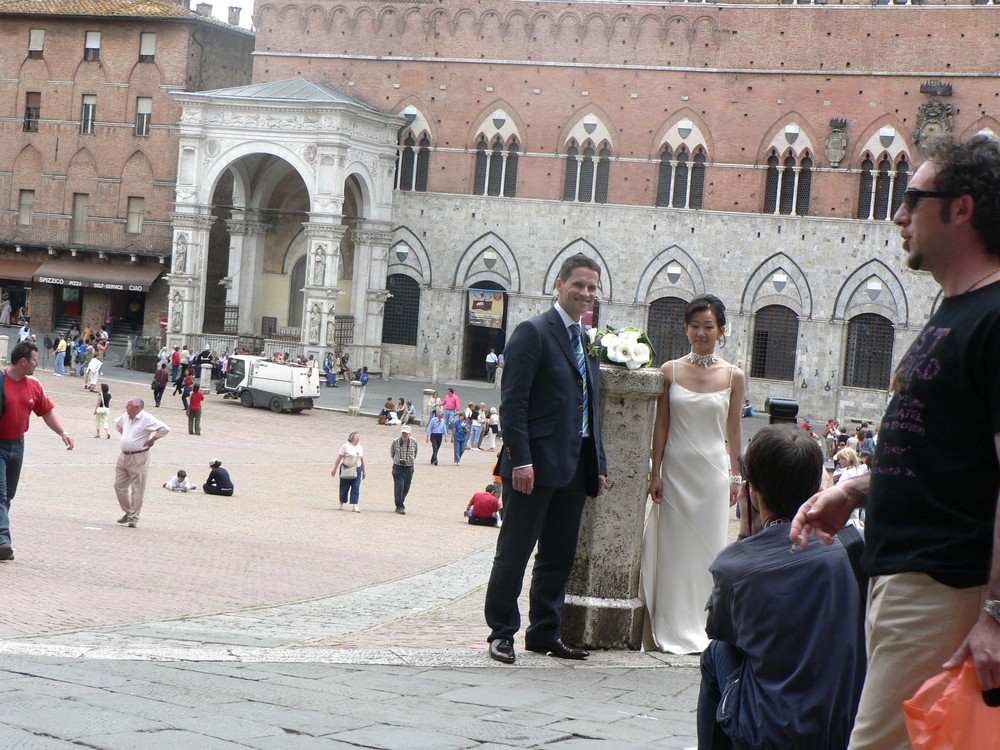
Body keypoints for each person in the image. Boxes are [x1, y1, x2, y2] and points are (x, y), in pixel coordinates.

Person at [790, 135, 1000, 750]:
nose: (898, 214)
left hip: (943, 586)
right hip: (906, 576)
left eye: (913, 198)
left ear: (961, 208)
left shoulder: (992, 319)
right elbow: (945, 454)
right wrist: (858, 488)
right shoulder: (954, 310)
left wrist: (996, 614)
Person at [698, 426, 865, 750]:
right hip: (842, 726)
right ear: (818, 485)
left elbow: (720, 627)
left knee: (715, 653)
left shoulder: (735, 565)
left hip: (770, 733)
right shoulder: (852, 545)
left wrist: (748, 536)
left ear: (753, 491)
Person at [484, 253, 608, 665]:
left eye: (592, 287)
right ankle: (502, 632)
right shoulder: (533, 332)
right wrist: (520, 460)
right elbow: (513, 403)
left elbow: (590, 408)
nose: (586, 293)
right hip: (532, 469)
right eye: (579, 285)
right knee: (515, 551)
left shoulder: (584, 339)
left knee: (558, 555)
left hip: (574, 466)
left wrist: (599, 464)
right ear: (559, 284)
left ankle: (544, 632)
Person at [642, 294, 746, 654]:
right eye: (695, 325)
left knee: (708, 552)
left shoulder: (734, 375)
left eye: (709, 326)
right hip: (676, 470)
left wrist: (736, 475)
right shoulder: (668, 371)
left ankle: (704, 625)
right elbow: (661, 426)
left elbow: (734, 431)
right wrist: (655, 473)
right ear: (685, 328)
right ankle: (668, 622)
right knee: (673, 550)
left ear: (721, 331)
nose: (702, 333)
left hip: (712, 475)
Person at [0, 341, 75, 561]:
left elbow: (47, 412)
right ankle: (3, 540)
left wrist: (63, 432)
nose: (37, 362)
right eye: (34, 359)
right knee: (1, 494)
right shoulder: (1, 380)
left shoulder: (33, 384)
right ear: (23, 361)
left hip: (18, 445)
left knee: (8, 496)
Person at [114, 397, 170, 528]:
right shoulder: (126, 416)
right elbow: (117, 424)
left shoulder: (147, 418)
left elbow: (165, 428)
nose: (126, 408)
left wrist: (153, 439)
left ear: (137, 408)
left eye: (129, 406)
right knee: (119, 486)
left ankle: (133, 517)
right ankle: (128, 511)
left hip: (139, 457)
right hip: (124, 456)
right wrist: (126, 437)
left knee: (137, 488)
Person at [331, 431, 365, 511]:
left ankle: (355, 505)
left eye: (359, 437)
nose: (358, 438)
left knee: (356, 487)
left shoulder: (360, 447)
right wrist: (335, 468)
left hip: (357, 469)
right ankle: (341, 503)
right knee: (344, 487)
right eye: (357, 436)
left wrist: (364, 471)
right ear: (352, 437)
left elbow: (362, 459)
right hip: (346, 468)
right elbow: (339, 458)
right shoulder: (345, 446)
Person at [389, 425, 417, 514]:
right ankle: (400, 506)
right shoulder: (395, 442)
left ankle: (400, 501)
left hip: (409, 467)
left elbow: (415, 453)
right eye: (403, 433)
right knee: (399, 487)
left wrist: (410, 461)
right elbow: (392, 453)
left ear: (410, 434)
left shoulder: (414, 442)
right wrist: (397, 460)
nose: (404, 435)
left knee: (406, 487)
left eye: (406, 433)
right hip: (398, 467)